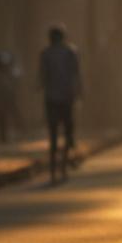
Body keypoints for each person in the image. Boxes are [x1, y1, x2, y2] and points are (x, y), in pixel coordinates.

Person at [38, 26, 81, 183]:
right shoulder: (71, 52)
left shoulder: (45, 53)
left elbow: (41, 77)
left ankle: (54, 171)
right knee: (68, 133)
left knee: (53, 135)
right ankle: (64, 166)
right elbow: (76, 74)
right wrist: (79, 93)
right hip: (66, 97)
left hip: (51, 98)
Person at [0, 50, 22, 143]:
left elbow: (15, 84)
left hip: (8, 97)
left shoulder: (11, 73)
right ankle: (2, 134)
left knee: (7, 116)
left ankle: (6, 134)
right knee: (0, 117)